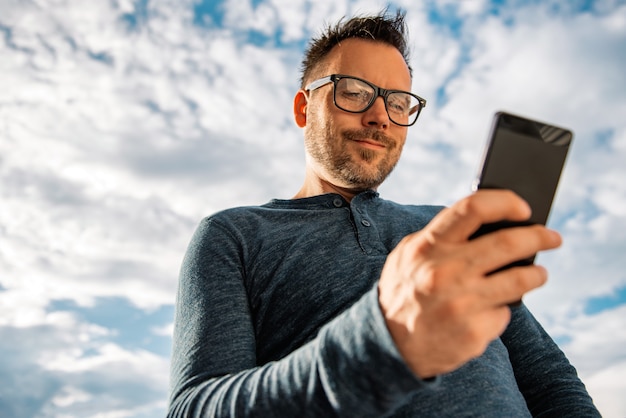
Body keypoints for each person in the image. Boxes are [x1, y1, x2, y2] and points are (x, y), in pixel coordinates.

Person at [167, 9, 600, 417]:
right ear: (303, 108)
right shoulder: (233, 235)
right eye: (353, 92)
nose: (380, 117)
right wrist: (382, 342)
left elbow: (550, 382)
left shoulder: (447, 226)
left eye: (398, 103)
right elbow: (195, 407)